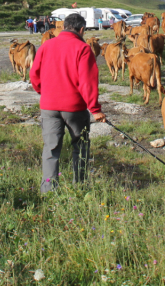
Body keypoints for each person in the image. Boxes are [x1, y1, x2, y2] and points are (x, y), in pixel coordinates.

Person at [30, 13, 106, 193]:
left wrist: (45, 93)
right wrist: (95, 109)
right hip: (75, 109)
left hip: (49, 107)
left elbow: (34, 75)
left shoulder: (46, 45)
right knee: (80, 147)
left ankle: (48, 192)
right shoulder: (83, 48)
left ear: (64, 26)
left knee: (51, 149)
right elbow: (87, 82)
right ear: (81, 30)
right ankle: (80, 187)